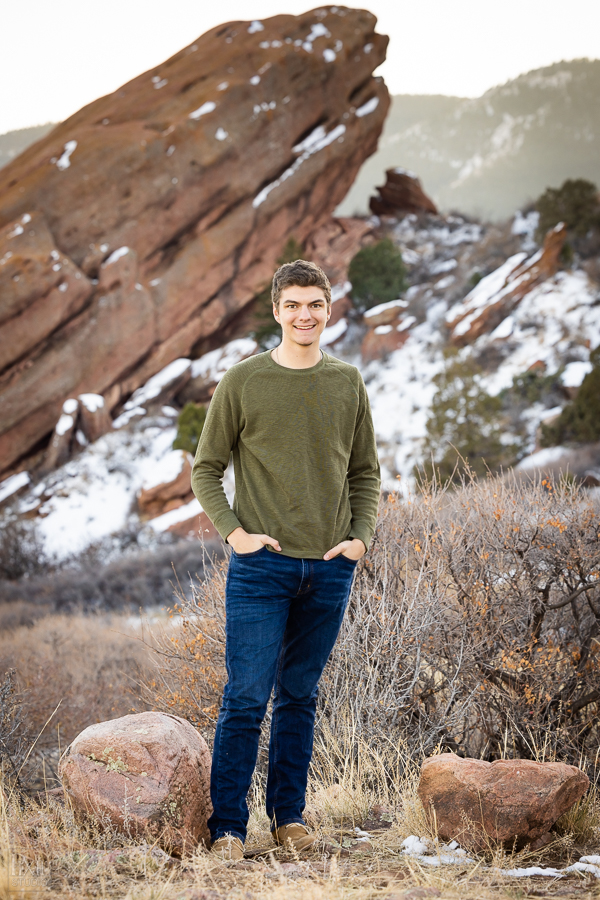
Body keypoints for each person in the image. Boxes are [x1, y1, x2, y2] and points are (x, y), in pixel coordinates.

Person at [191, 259, 380, 860]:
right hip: (261, 570)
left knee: (299, 694)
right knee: (246, 696)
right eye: (293, 305)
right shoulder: (243, 382)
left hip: (329, 568)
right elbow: (205, 469)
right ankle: (228, 828)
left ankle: (289, 819)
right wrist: (234, 533)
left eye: (315, 305)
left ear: (329, 311)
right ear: (276, 311)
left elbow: (365, 473)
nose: (305, 315)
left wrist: (360, 539)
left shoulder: (347, 382)